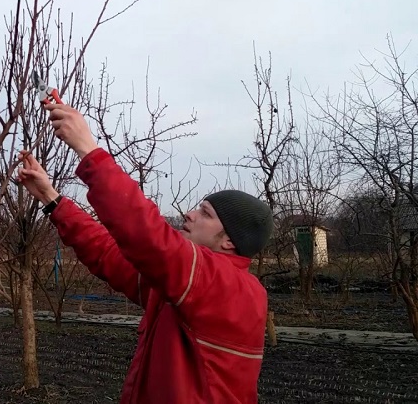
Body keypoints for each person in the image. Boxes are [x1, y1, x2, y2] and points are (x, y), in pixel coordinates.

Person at [16, 101, 274, 403]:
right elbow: (109, 254)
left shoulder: (227, 288)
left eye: (205, 213)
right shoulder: (178, 289)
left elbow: (147, 235)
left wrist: (87, 148)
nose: (189, 214)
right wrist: (51, 198)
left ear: (230, 240)